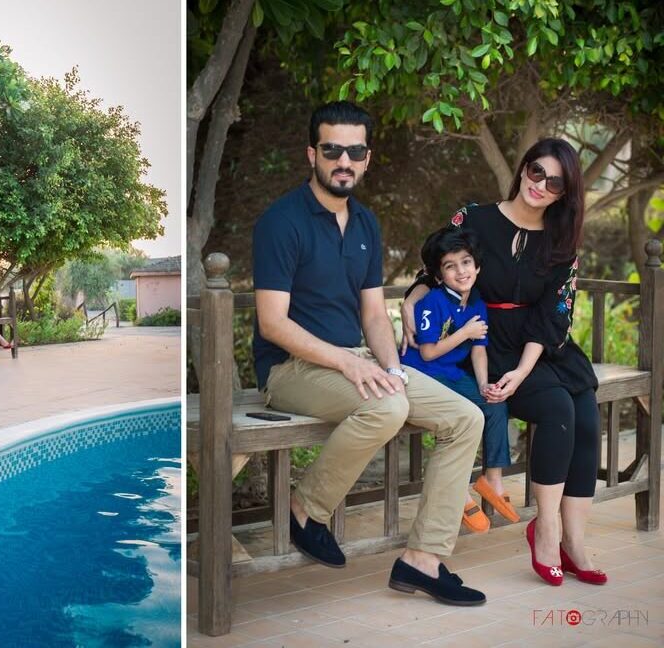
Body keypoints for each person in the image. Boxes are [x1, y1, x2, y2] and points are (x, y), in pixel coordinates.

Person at [253, 100, 486, 606]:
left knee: (466, 417)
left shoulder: (365, 224)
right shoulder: (282, 221)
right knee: (387, 406)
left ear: (367, 157)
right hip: (291, 369)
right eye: (332, 149)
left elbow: (375, 316)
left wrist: (392, 367)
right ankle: (303, 509)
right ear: (311, 153)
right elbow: (273, 322)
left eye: (354, 151)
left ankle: (422, 560)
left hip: (355, 358)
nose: (344, 160)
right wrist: (349, 363)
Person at [401, 138, 606, 586]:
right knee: (557, 409)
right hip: (482, 340)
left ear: (563, 193)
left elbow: (556, 313)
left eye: (555, 182)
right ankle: (546, 530)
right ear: (523, 168)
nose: (541, 186)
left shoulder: (560, 239)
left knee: (586, 413)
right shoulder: (474, 217)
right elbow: (433, 269)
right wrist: (409, 302)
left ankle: (573, 538)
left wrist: (523, 369)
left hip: (536, 346)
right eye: (537, 172)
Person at [400, 226, 519, 534]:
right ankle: (459, 492)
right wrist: (463, 333)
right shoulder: (432, 302)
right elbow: (427, 353)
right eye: (450, 266)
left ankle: (491, 478)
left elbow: (479, 352)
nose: (461, 271)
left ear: (477, 266)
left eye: (466, 262)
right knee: (465, 419)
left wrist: (482, 385)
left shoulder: (477, 303)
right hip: (423, 375)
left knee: (494, 404)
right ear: (439, 276)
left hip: (452, 375)